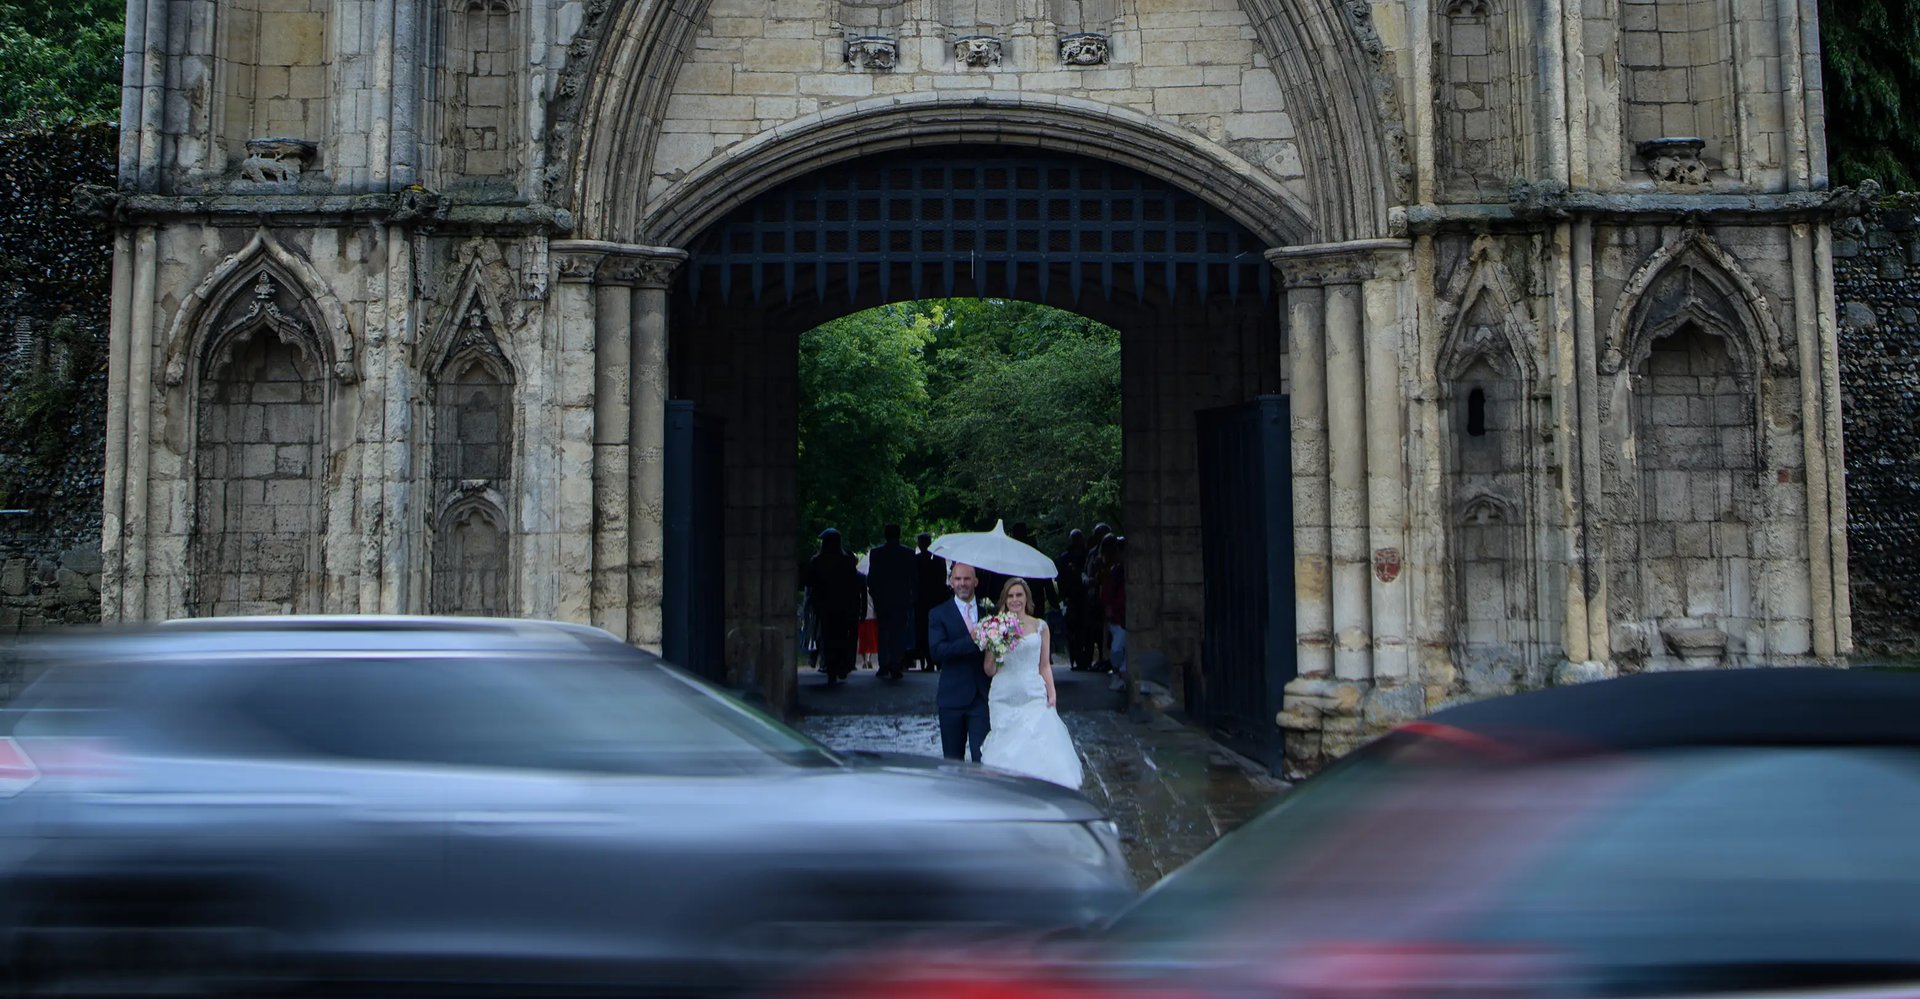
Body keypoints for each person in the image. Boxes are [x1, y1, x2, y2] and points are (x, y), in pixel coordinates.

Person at [978, 578, 1083, 788]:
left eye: (1019, 595)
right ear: (1005, 599)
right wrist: (995, 648)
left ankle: (1037, 791)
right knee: (1006, 747)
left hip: (1032, 692)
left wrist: (1051, 693)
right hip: (1003, 695)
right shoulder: (996, 626)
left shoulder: (1040, 626)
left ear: (1027, 598)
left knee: (1037, 744)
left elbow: (1044, 665)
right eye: (1010, 596)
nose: (1015, 600)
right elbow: (989, 670)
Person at [927, 562, 992, 762]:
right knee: (953, 762)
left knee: (983, 758)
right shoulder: (938, 614)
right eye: (957, 579)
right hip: (952, 698)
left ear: (976, 581)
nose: (962, 583)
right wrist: (971, 640)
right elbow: (937, 652)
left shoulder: (990, 611)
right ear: (950, 582)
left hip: (982, 698)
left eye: (966, 579)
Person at [804, 528, 862, 685]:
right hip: (843, 604)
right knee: (842, 636)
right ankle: (841, 666)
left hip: (825, 604)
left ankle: (831, 667)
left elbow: (809, 582)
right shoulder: (847, 560)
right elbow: (853, 584)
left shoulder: (817, 561)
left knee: (827, 637)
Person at [865, 524, 918, 680]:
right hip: (901, 599)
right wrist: (912, 597)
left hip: (883, 599)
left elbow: (872, 578)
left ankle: (884, 664)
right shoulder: (908, 554)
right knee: (898, 633)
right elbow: (914, 578)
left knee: (883, 632)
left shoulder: (876, 554)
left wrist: (875, 595)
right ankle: (895, 664)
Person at [1056, 529, 1094, 671]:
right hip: (1072, 598)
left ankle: (1085, 660)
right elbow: (1061, 579)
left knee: (1085, 630)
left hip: (1084, 598)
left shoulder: (1085, 555)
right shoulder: (1067, 557)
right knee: (1074, 631)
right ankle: (1078, 660)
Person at [913, 532, 947, 670]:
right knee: (928, 631)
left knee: (926, 630)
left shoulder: (923, 560)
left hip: (926, 600)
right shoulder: (936, 560)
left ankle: (931, 659)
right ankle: (932, 659)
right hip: (930, 600)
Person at [1099, 535, 1128, 692]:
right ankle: (1118, 674)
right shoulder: (1116, 571)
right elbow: (1108, 594)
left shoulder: (1118, 571)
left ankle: (1120, 675)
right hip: (1118, 616)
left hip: (1121, 614)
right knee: (1118, 647)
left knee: (1121, 647)